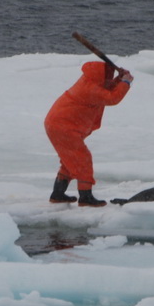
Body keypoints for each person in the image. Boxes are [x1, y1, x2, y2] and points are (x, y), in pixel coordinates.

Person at [44, 60, 134, 207]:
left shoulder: (90, 82)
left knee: (71, 160)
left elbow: (107, 89)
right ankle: (85, 197)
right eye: (108, 75)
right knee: (83, 159)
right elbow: (112, 98)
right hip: (63, 127)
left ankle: (58, 194)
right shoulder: (91, 89)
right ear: (99, 75)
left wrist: (119, 79)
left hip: (59, 124)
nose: (108, 78)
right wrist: (125, 83)